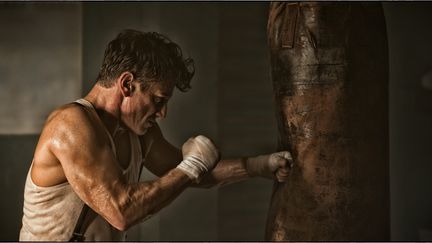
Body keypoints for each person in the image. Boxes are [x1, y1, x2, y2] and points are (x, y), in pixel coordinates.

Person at [19, 29, 293, 241]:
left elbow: (193, 174)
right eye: (158, 100)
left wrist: (258, 165)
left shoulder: (139, 133)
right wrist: (190, 168)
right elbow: (120, 211)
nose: (162, 113)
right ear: (127, 84)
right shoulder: (71, 126)